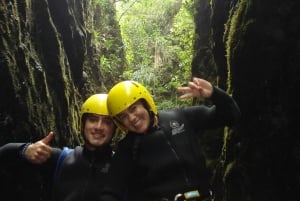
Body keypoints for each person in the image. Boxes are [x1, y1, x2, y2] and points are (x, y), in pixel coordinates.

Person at [99, 77, 241, 201]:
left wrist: (214, 93)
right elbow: (110, 193)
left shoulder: (180, 117)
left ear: (146, 103)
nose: (131, 118)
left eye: (133, 108)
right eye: (123, 116)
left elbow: (232, 116)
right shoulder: (127, 148)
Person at [0, 93, 117, 201]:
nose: (99, 127)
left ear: (114, 129)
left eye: (107, 122)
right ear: (83, 125)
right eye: (93, 120)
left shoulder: (123, 167)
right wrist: (25, 149)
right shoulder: (62, 159)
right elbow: (5, 153)